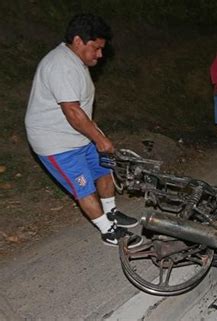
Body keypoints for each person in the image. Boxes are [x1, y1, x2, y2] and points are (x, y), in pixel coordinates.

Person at [24, 13, 142, 247]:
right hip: (55, 141)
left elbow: (79, 111)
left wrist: (96, 136)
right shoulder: (61, 65)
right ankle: (107, 230)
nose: (100, 55)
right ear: (78, 41)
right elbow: (72, 111)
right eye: (96, 48)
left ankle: (111, 213)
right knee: (84, 186)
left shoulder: (75, 60)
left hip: (77, 133)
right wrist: (100, 138)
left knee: (103, 171)